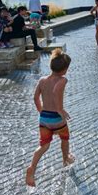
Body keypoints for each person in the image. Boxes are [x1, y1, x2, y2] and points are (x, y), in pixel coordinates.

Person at [25, 49, 75, 187]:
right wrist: (60, 110)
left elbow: (35, 98)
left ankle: (32, 167)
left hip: (44, 118)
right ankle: (65, 159)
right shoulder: (63, 80)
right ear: (65, 69)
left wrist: (41, 111)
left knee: (44, 145)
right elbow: (56, 91)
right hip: (57, 118)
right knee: (64, 138)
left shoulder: (42, 80)